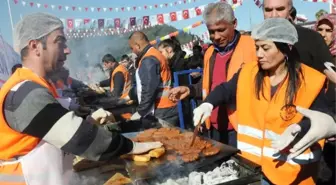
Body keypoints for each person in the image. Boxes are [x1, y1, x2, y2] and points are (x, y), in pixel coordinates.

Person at [0, 13, 162, 185]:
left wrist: (87, 118)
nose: (67, 50)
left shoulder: (40, 86)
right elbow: (78, 137)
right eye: (60, 42)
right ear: (35, 47)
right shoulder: (24, 92)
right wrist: (131, 147)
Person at [171, 18, 328, 185]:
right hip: (253, 169)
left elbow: (323, 118)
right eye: (257, 47)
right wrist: (208, 104)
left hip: (291, 174)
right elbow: (226, 89)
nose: (259, 54)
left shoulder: (310, 80)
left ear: (286, 48)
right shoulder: (249, 72)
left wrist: (300, 127)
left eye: (265, 48)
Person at [168, 2, 257, 145]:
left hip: (241, 127)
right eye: (211, 31)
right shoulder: (210, 52)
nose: (215, 36)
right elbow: (208, 84)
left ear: (234, 23)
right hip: (213, 126)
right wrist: (190, 89)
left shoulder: (252, 47)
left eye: (221, 30)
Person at [263, 0, 333, 72]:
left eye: (280, 9)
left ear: (290, 11)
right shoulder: (255, 40)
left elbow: (330, 77)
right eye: (268, 10)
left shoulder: (312, 38)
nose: (274, 15)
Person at [128, 31, 178, 125]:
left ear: (137, 46)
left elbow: (149, 87)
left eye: (132, 48)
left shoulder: (148, 59)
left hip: (162, 108)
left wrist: (141, 111)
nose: (132, 51)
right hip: (168, 105)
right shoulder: (155, 54)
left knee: (164, 138)